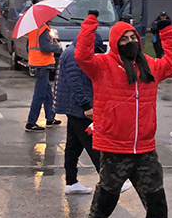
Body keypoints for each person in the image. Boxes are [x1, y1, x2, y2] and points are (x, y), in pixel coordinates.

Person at [75, 9, 172, 218]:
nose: (129, 42)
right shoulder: (102, 66)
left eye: (132, 37)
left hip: (145, 148)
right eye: (123, 39)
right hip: (114, 146)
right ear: (115, 43)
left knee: (155, 195)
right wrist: (90, 23)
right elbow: (82, 56)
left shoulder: (150, 66)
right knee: (108, 193)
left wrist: (167, 30)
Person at [54, 33, 135, 195]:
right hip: (78, 107)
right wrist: (86, 105)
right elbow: (76, 84)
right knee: (94, 144)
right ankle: (112, 182)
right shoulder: (74, 56)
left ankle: (71, 181)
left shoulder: (73, 52)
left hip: (73, 106)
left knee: (73, 146)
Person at [24, 22, 62, 132]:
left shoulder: (33, 29)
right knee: (39, 95)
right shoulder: (44, 29)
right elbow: (45, 47)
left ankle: (50, 117)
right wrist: (57, 47)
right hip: (43, 64)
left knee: (47, 93)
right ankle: (31, 122)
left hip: (35, 63)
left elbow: (28, 47)